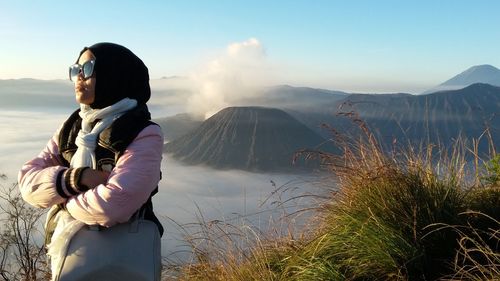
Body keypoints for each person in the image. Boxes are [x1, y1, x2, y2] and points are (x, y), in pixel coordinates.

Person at [18, 42, 163, 280]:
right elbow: (27, 183)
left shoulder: (144, 133)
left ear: (114, 74)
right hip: (67, 253)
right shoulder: (73, 128)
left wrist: (61, 198)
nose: (78, 77)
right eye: (76, 69)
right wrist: (77, 179)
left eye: (87, 68)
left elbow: (115, 204)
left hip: (125, 259)